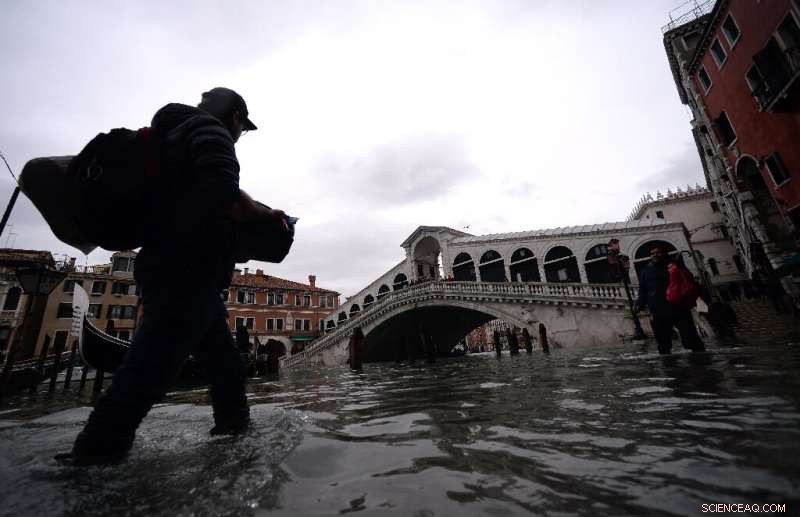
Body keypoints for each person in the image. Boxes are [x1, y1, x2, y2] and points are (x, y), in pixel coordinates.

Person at [60, 87, 287, 465]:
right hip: (188, 267)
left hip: (180, 268)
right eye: (241, 128)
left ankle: (234, 434)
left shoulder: (172, 135)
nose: (238, 135)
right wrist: (265, 217)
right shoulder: (210, 132)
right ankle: (95, 454)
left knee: (225, 365)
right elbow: (222, 195)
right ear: (234, 118)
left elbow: (196, 198)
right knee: (152, 366)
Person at [635, 247, 704, 355]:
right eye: (652, 253)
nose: (655, 255)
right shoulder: (647, 270)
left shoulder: (675, 266)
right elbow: (643, 289)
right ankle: (666, 357)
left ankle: (699, 355)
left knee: (689, 334)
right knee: (662, 339)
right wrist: (640, 303)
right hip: (658, 307)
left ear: (664, 253)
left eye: (658, 252)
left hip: (678, 305)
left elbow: (688, 281)